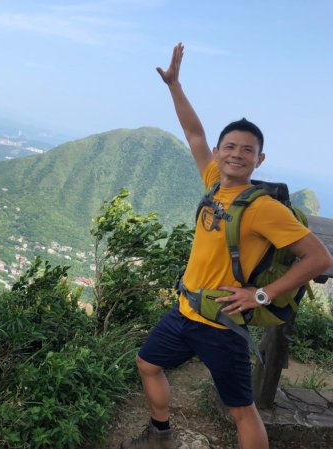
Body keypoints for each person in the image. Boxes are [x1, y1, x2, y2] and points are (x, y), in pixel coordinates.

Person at [120, 43, 333, 449]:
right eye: (230, 147)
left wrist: (261, 295)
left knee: (241, 410)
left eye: (247, 150)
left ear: (260, 158)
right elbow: (194, 133)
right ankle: (160, 435)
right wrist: (175, 87)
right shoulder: (215, 183)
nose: (237, 154)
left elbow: (319, 257)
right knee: (147, 363)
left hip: (223, 324)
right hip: (185, 311)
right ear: (220, 153)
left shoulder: (264, 208)